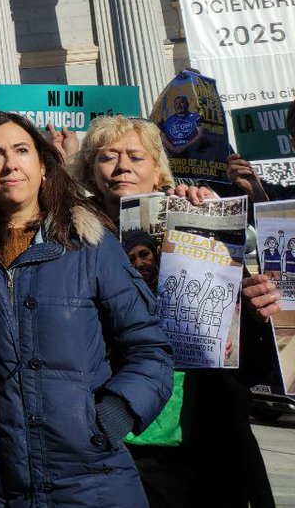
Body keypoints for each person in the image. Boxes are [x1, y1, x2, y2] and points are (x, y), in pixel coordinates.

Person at [0, 110, 173, 507]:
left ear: (42, 165)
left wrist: (113, 415)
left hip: (87, 477)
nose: (10, 164)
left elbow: (149, 347)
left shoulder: (90, 244)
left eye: (21, 150)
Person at [74, 114, 277, 508]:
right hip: (109, 439)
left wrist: (254, 313)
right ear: (90, 173)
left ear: (158, 172)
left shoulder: (200, 221)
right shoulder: (68, 240)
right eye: (107, 157)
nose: (122, 167)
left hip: (199, 444)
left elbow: (249, 363)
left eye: (136, 157)